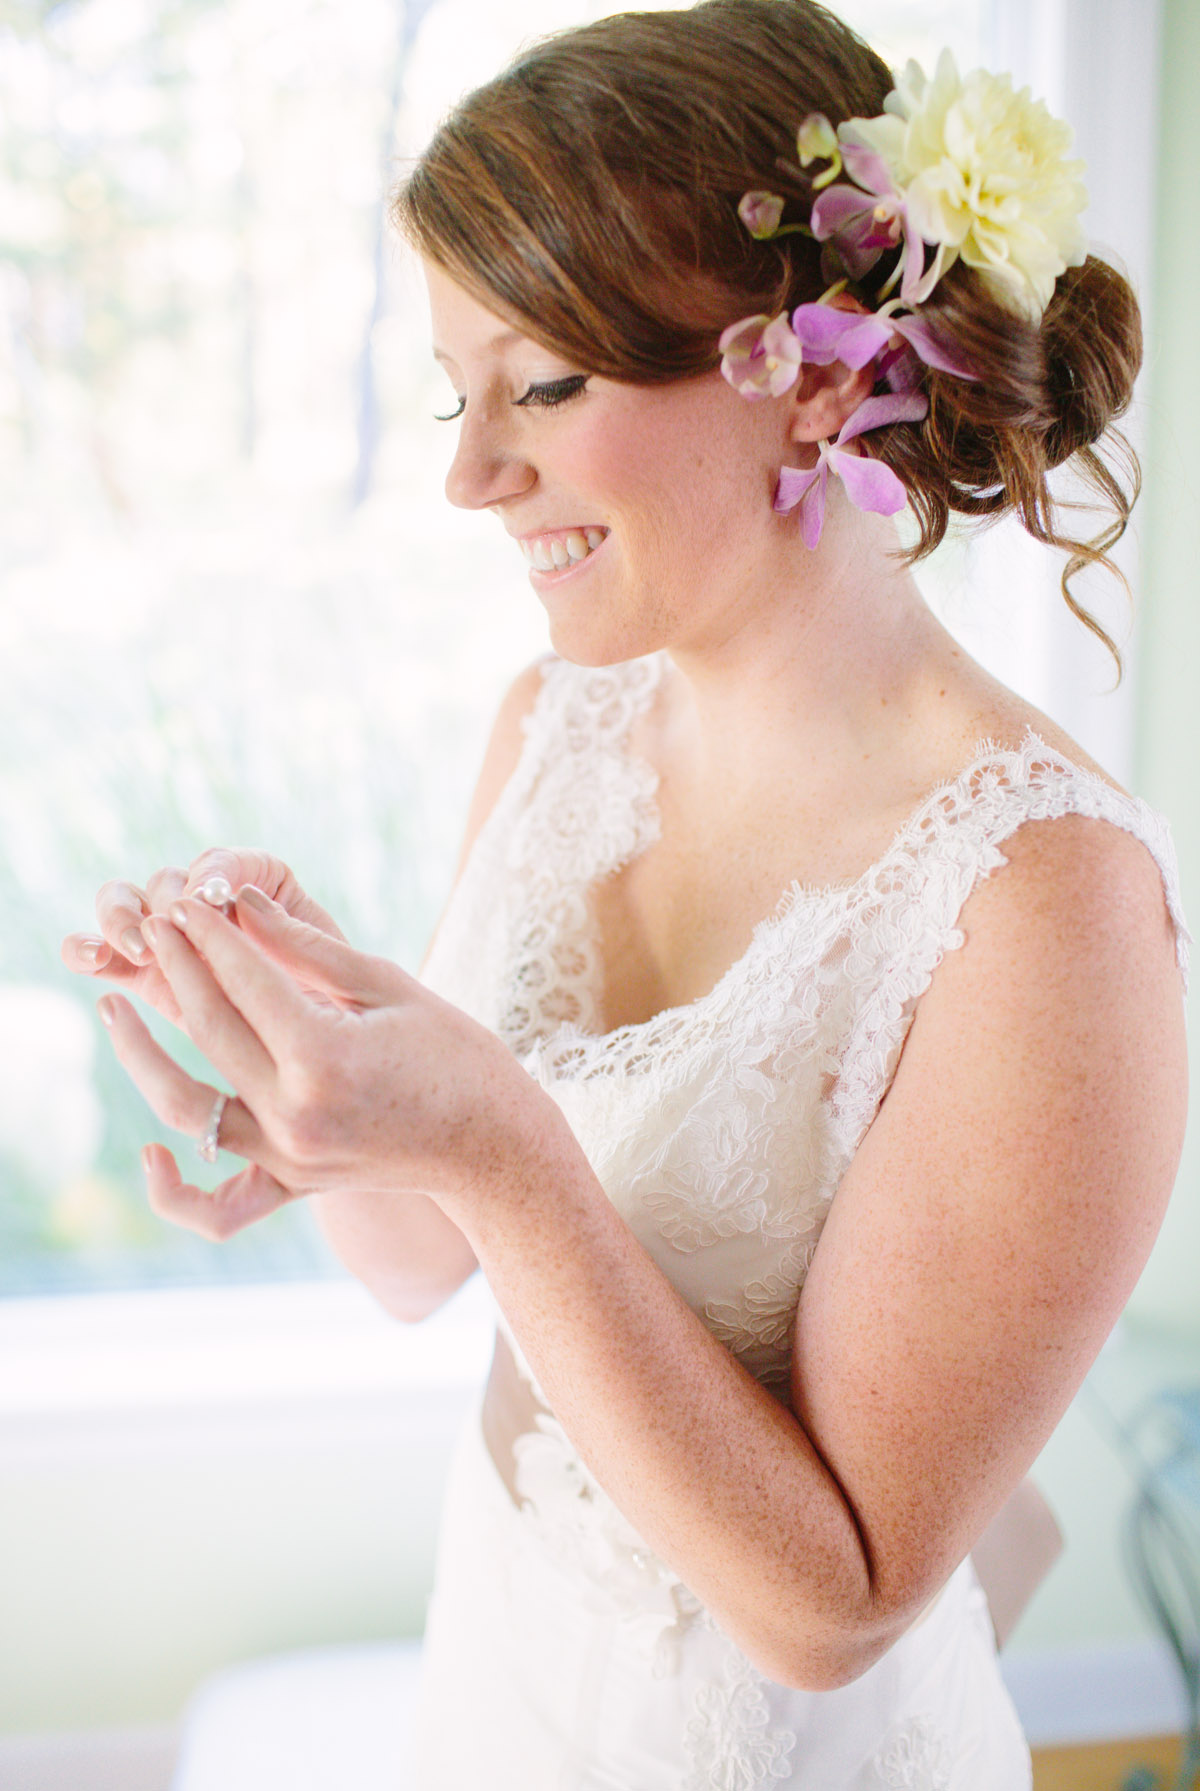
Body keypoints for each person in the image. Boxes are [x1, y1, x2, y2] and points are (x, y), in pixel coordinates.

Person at [63, 2, 1190, 1784]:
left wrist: (503, 1144)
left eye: (547, 384)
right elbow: (417, 1261)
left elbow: (836, 1606)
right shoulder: (559, 726)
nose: (467, 473)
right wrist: (295, 1068)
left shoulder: (1044, 901)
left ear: (815, 375)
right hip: (501, 1699)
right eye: (458, 391)